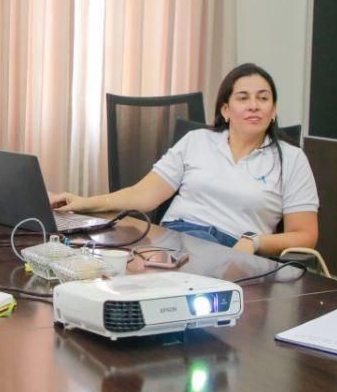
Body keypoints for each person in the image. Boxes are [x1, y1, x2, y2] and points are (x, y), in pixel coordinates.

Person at [51, 63, 319, 255]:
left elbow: (305, 235)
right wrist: (82, 203)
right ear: (225, 110)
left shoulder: (292, 159)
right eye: (243, 98)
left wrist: (255, 242)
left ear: (273, 111)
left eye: (263, 98)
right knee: (97, 259)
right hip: (175, 236)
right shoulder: (198, 140)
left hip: (234, 249)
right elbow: (143, 195)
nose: (254, 105)